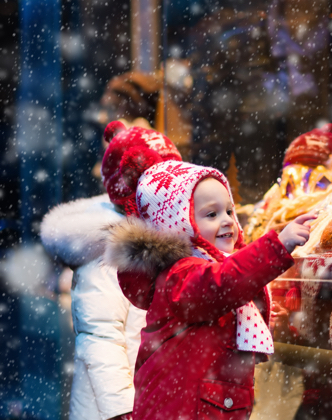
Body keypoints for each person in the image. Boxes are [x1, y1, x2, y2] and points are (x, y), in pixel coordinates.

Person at [101, 119, 313, 419]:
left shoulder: (208, 269)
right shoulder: (181, 274)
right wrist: (277, 246)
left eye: (229, 210)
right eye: (211, 214)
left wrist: (258, 309)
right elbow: (223, 285)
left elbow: (226, 296)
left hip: (208, 404)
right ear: (178, 223)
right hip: (185, 409)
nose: (227, 220)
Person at [40, 122, 184, 420]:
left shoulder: (156, 239)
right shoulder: (110, 249)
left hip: (150, 400)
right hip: (114, 409)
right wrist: (123, 410)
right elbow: (100, 338)